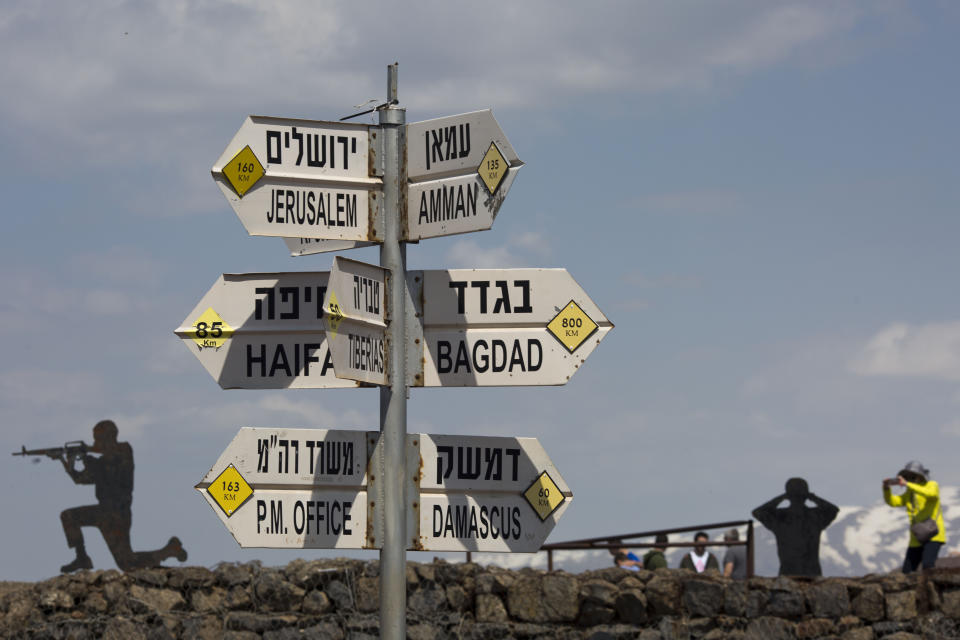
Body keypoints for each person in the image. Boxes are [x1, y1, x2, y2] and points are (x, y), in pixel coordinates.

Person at [59, 420, 188, 573]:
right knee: (69, 517)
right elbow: (81, 480)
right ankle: (81, 557)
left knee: (127, 563)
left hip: (117, 514)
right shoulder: (101, 461)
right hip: (104, 513)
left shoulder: (124, 451)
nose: (96, 443)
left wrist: (87, 457)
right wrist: (68, 464)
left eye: (98, 439)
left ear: (109, 437)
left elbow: (110, 469)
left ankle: (169, 550)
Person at [753, 477, 838, 576]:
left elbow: (758, 512)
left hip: (788, 572)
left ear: (788, 494)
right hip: (812, 572)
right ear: (806, 494)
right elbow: (833, 510)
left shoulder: (779, 517)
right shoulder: (816, 516)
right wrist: (813, 497)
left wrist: (781, 498)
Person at [883, 461, 946, 573]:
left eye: (913, 476)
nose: (910, 479)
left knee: (928, 565)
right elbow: (893, 502)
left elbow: (931, 494)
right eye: (907, 477)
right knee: (907, 571)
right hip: (916, 538)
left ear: (921, 476)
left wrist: (908, 485)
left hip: (934, 534)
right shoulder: (910, 492)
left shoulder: (932, 485)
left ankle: (930, 589)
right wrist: (886, 489)